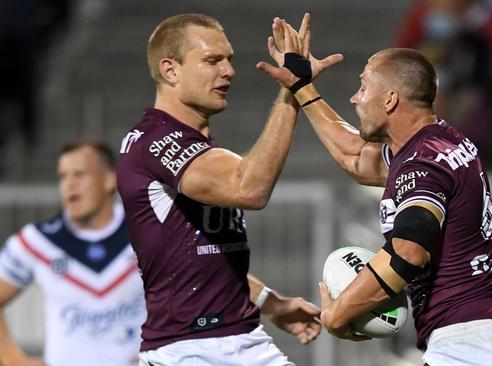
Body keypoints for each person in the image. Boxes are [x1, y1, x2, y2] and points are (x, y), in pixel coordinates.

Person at [258, 31, 492, 364]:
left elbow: (408, 249)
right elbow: (355, 157)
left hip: (470, 346)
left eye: (364, 86)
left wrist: (338, 313)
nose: (354, 98)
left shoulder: (421, 165)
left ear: (390, 100)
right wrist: (302, 88)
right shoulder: (440, 141)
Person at [117, 13, 341, 366]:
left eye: (229, 60)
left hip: (244, 339)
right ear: (170, 70)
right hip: (187, 350)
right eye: (211, 60)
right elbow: (249, 188)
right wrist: (291, 90)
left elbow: (201, 251)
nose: (229, 71)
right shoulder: (155, 141)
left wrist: (269, 301)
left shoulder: (196, 147)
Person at [0, 140, 146, 366]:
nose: (69, 184)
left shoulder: (147, 232)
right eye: (63, 176)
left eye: (80, 174)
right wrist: (11, 358)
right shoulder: (37, 242)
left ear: (109, 180)